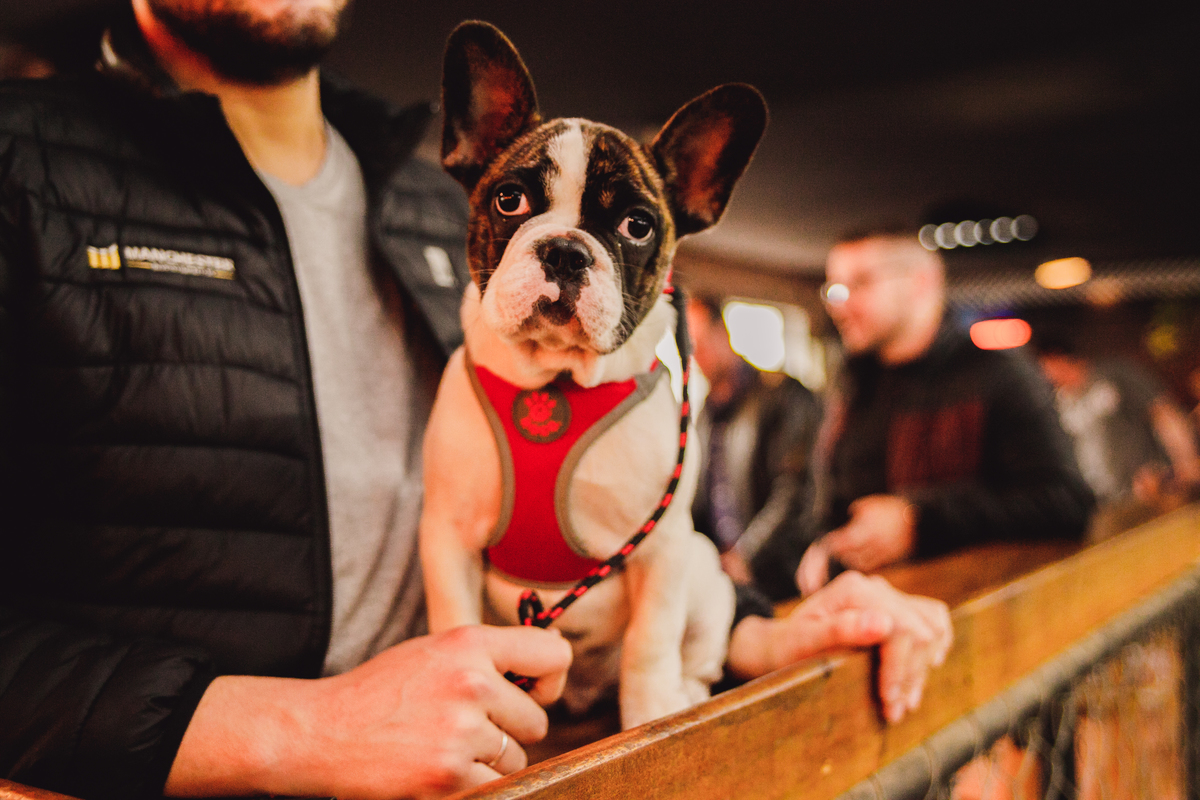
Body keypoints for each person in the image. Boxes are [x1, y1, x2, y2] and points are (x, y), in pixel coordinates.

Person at [0, 8, 953, 798]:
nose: (555, 238)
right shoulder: (21, 163)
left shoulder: (429, 197)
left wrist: (760, 627)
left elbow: (592, 520)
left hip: (510, 761)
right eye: (522, 208)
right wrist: (296, 730)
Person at [750, 230, 1095, 600]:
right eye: (834, 289)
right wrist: (825, 545)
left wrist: (918, 521)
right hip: (872, 615)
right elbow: (830, 503)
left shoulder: (997, 373)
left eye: (861, 283)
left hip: (979, 614)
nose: (840, 304)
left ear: (921, 282)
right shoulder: (852, 385)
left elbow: (1066, 501)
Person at [686, 295, 821, 585]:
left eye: (701, 342)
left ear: (723, 333)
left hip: (777, 573)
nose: (696, 355)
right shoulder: (704, 414)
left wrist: (747, 556)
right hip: (722, 574)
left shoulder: (783, 396)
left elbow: (793, 491)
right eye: (688, 348)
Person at [1035, 331, 1200, 537]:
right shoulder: (1059, 402)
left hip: (1147, 493)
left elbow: (1164, 413)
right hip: (1103, 505)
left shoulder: (1114, 375)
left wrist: (1185, 466)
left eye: (1039, 366)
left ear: (1055, 358)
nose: (1038, 375)